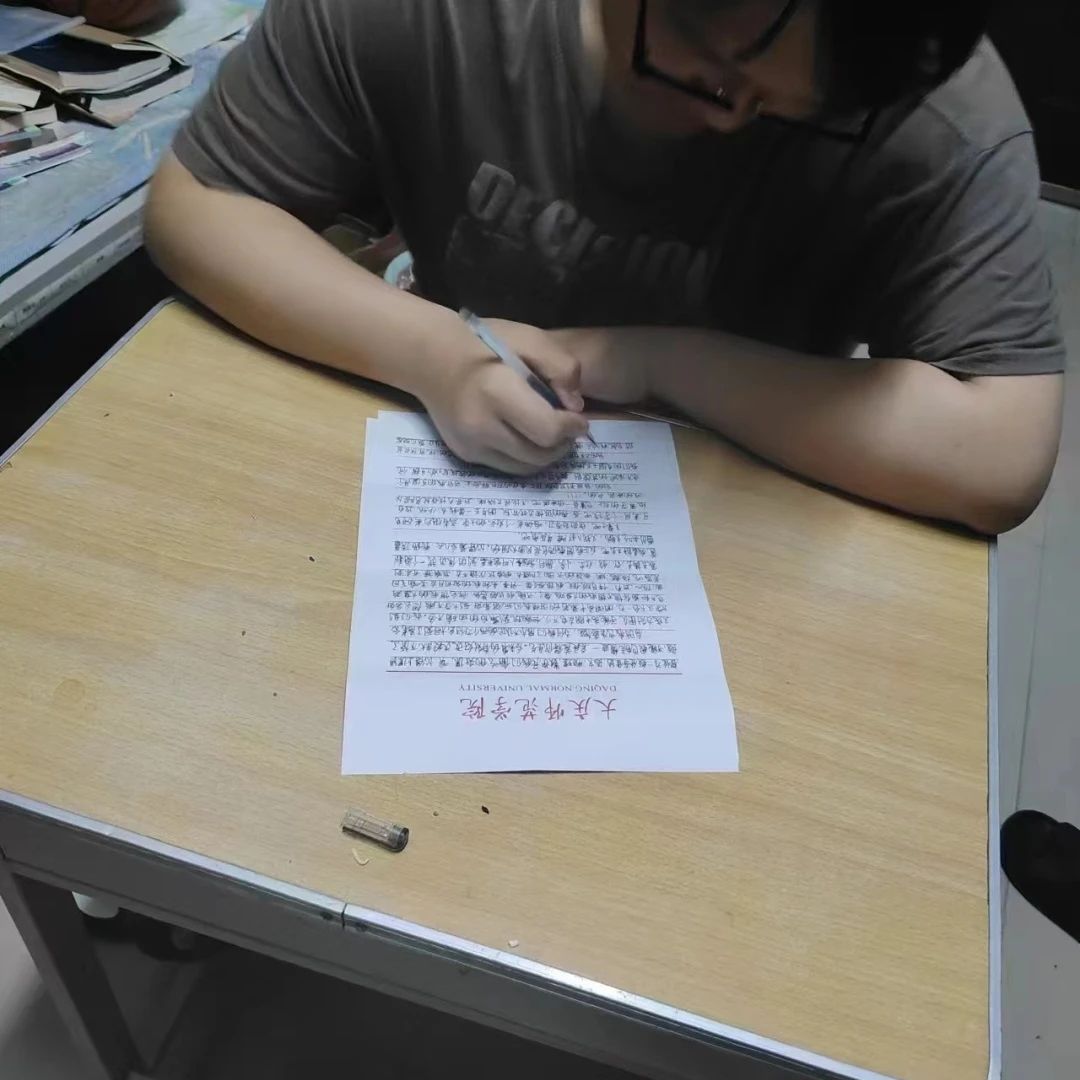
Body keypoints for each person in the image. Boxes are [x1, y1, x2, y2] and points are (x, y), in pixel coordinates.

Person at [145, 0, 1065, 534]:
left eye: (798, 112)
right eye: (707, 72)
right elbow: (198, 202)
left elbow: (1003, 454)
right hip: (443, 484)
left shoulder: (923, 95)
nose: (730, 119)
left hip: (742, 508)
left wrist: (652, 358)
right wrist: (433, 352)